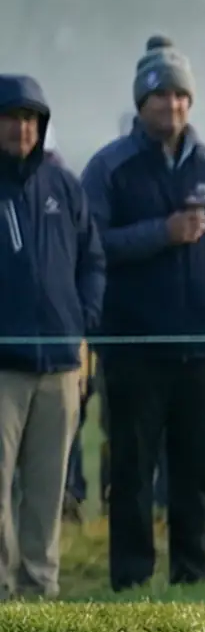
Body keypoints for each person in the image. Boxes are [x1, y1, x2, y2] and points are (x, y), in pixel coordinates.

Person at [84, 35, 205, 591]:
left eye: (180, 96)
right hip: (135, 346)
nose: (172, 107)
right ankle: (130, 579)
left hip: (204, 346)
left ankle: (192, 575)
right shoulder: (111, 168)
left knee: (196, 471)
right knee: (132, 470)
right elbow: (92, 244)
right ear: (141, 102)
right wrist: (164, 233)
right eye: (161, 96)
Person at [0, 75, 104, 600]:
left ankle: (38, 590)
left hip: (60, 366)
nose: (22, 127)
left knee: (46, 489)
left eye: (31, 118)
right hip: (3, 370)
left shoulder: (65, 188)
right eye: (12, 116)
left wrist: (82, 321)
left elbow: (93, 261)